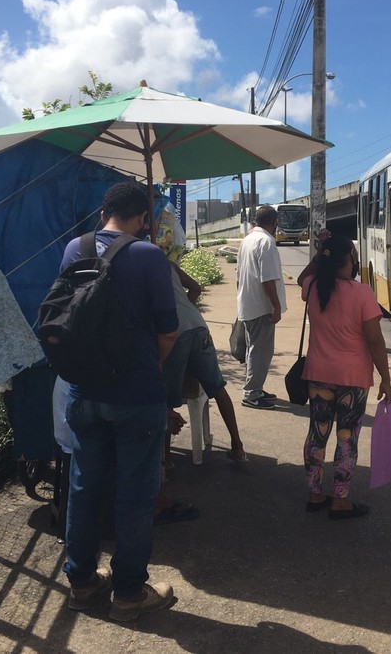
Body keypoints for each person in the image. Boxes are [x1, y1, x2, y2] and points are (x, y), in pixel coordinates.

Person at [60, 181, 178, 622]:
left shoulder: (75, 248)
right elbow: (168, 331)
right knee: (134, 494)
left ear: (104, 210)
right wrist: (148, 367)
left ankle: (83, 582)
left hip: (84, 392)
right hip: (135, 396)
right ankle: (129, 591)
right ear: (142, 218)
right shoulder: (148, 255)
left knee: (84, 487)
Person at [297, 232, 391, 521]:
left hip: (318, 373)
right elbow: (375, 341)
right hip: (353, 377)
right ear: (350, 260)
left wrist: (321, 253)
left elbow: (304, 276)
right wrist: (386, 379)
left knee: (318, 434)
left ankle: (315, 494)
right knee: (347, 437)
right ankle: (340, 500)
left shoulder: (313, 286)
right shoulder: (362, 292)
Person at [163, 262, 248, 462]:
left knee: (165, 398)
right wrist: (186, 308)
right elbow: (196, 288)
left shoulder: (136, 267)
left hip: (174, 332)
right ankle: (238, 447)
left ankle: (166, 459)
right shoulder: (168, 264)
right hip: (198, 326)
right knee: (217, 388)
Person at [236, 205, 286, 409]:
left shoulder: (247, 240)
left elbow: (238, 275)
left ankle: (255, 387)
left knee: (253, 350)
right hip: (261, 306)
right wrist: (276, 307)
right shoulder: (266, 242)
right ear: (274, 222)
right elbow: (268, 279)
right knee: (261, 351)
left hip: (248, 303)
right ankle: (252, 393)